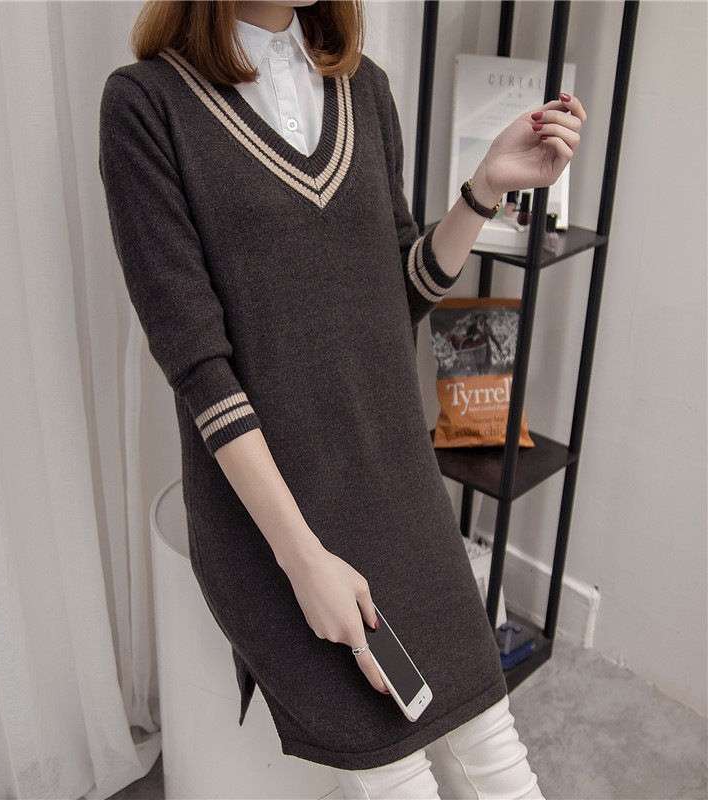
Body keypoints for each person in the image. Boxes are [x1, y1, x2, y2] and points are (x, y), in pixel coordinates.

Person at [98, 2, 586, 797]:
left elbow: (394, 295)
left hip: (396, 487)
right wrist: (305, 564)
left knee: (495, 755)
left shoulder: (367, 89)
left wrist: (484, 189)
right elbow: (198, 369)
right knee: (397, 777)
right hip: (273, 519)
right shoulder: (146, 106)